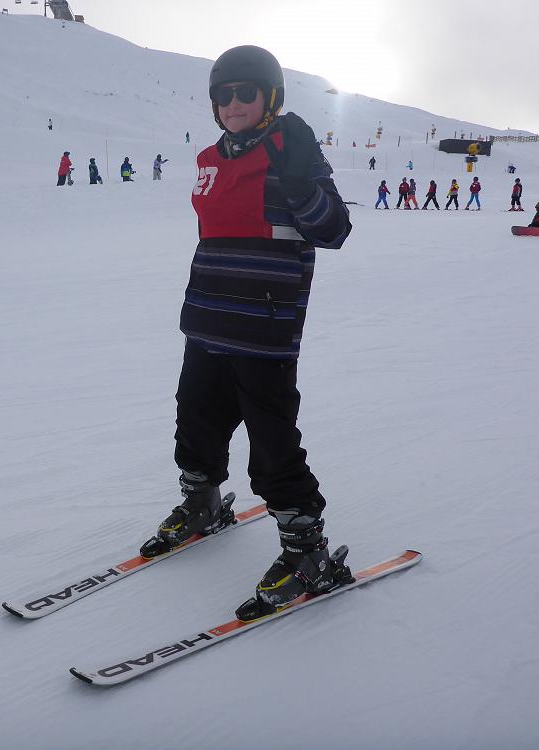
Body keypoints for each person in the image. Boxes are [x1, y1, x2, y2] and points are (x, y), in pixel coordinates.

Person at [137, 45, 352, 622]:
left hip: (263, 331)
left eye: (245, 93)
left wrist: (301, 182)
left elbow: (333, 229)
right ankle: (202, 502)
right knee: (195, 421)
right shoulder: (210, 157)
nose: (233, 104)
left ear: (271, 97)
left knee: (272, 443)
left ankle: (307, 551)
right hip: (207, 322)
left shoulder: (292, 151)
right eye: (223, 95)